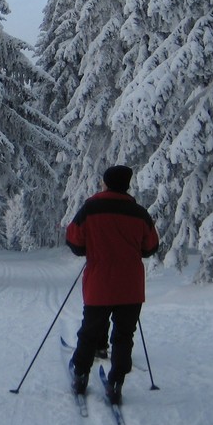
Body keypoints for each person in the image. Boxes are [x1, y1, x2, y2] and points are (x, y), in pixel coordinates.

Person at [65, 164, 159, 406]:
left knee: (89, 332)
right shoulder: (139, 213)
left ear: (106, 183)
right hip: (130, 287)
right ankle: (116, 381)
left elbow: (74, 240)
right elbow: (150, 247)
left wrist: (91, 249)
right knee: (124, 336)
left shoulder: (91, 208)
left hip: (99, 284)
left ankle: (80, 374)